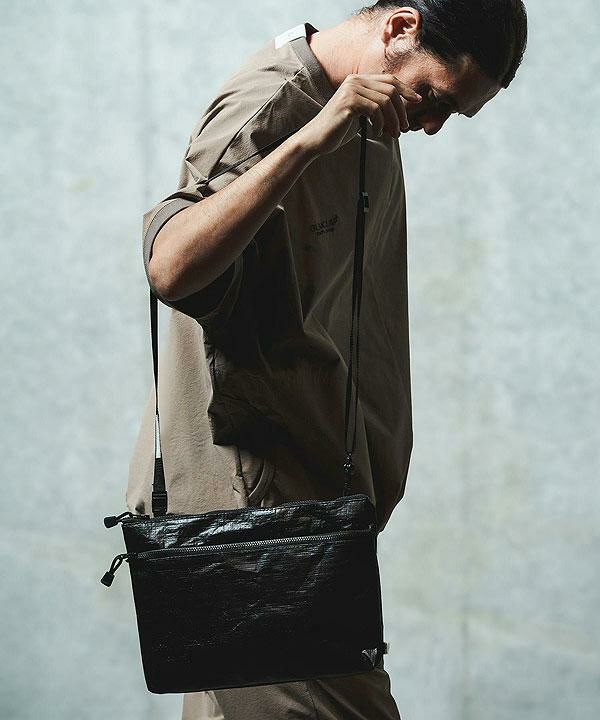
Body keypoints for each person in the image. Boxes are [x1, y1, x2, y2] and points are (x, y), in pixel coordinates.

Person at [126, 2, 527, 718]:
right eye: (433, 97)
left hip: (309, 507)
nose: (433, 125)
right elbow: (170, 264)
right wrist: (311, 140)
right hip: (255, 526)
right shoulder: (274, 108)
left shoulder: (376, 112)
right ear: (400, 29)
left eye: (452, 114)